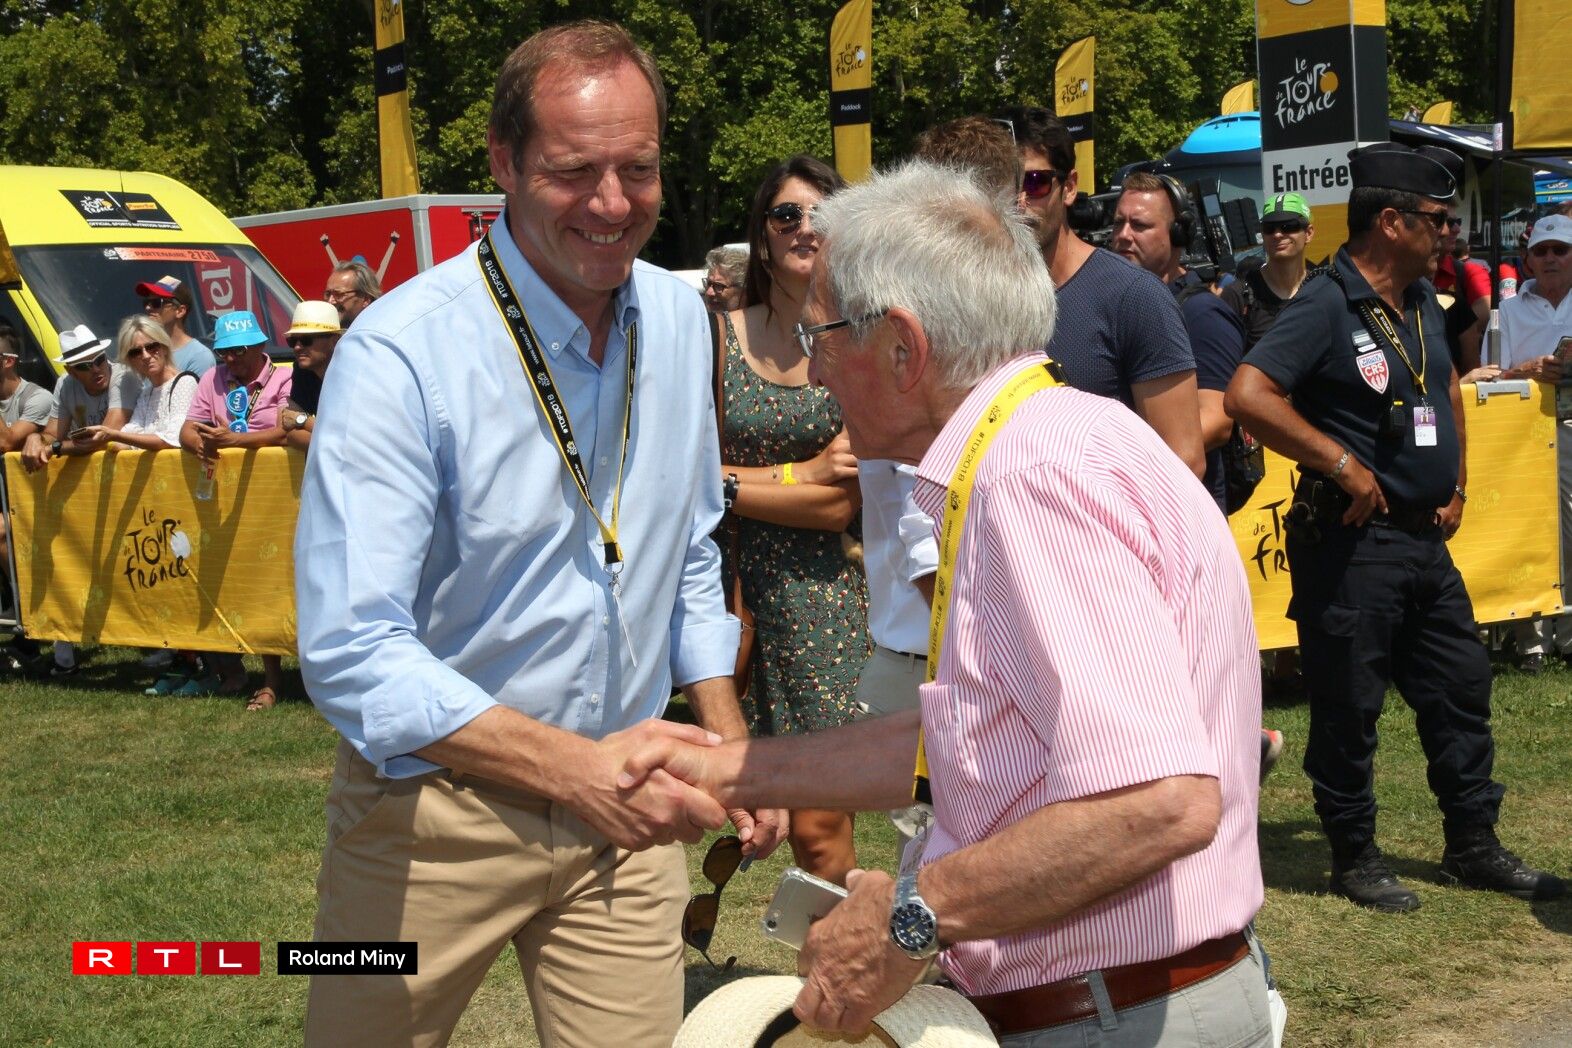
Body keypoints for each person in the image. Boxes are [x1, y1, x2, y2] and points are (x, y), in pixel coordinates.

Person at [622, 160, 1269, 1046]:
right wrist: (731, 770)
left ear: (902, 346)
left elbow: (1156, 800)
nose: (814, 372)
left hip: (1108, 1013)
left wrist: (907, 918)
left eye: (823, 337)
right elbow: (978, 737)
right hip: (1121, 1003)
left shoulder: (1034, 477)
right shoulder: (1055, 440)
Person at [292, 21, 781, 1047]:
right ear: (503, 161)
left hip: (630, 802)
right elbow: (350, 651)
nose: (613, 205)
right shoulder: (399, 354)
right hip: (429, 816)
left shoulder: (683, 315)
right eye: (574, 171)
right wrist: (570, 770)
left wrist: (729, 739)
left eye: (639, 169)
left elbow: (688, 545)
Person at [1226, 143, 1567, 913]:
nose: (1449, 233)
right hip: (1352, 544)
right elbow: (1248, 394)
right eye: (1437, 220)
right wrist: (1340, 463)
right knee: (1349, 704)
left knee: (1461, 687)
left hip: (1422, 538)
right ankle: (1354, 854)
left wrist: (1459, 480)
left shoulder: (1420, 298)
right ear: (1390, 221)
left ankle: (1473, 845)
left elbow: (1443, 377)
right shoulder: (1324, 301)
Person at [720, 154, 870, 885]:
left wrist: (724, 485)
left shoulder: (860, 338)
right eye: (787, 215)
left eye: (821, 214)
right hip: (737, 596)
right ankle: (835, 971)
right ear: (762, 234)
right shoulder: (716, 339)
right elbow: (678, 477)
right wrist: (797, 475)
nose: (805, 227)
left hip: (832, 596)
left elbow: (841, 502)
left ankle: (850, 981)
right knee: (771, 814)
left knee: (819, 820)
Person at [996, 105, 1204, 478]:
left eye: (1036, 182)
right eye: (1004, 185)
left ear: (1070, 187)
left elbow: (1183, 460)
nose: (1020, 202)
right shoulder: (980, 302)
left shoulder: (1133, 296)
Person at [1111, 172, 1247, 514]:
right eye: (1118, 224)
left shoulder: (1201, 312)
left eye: (1139, 226)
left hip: (1185, 515)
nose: (1124, 236)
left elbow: (1216, 423)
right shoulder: (1117, 303)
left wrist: (1116, 465)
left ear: (1177, 235)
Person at [179, 309, 292, 708]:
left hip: (273, 499)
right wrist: (197, 443)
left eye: (238, 351)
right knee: (226, 578)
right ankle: (228, 668)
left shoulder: (284, 377)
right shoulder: (212, 378)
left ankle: (273, 678)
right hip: (225, 499)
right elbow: (188, 425)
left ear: (260, 347)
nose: (230, 359)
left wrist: (236, 441)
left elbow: (289, 429)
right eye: (224, 352)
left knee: (270, 584)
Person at [19, 324, 141, 675]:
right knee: (68, 559)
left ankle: (167, 650)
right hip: (91, 488)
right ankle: (64, 654)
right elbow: (51, 432)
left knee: (134, 561)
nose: (96, 369)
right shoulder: (64, 384)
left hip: (131, 483)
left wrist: (53, 446)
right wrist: (35, 441)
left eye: (99, 360)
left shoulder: (124, 377)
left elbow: (105, 434)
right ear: (70, 370)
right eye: (84, 366)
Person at [1497, 214, 1572, 670]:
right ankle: (1531, 641)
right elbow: (1491, 373)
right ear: (1527, 259)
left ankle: (1567, 633)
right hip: (1523, 430)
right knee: (1528, 529)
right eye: (1542, 251)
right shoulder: (1508, 309)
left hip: (1570, 421)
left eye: (1560, 250)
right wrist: (1525, 370)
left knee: (1570, 532)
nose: (1550, 259)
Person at [78, 316, 198, 451]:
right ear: (129, 360)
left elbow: (169, 440)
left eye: (152, 347)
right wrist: (92, 442)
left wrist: (113, 435)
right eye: (136, 352)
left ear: (164, 347)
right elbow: (128, 435)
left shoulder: (185, 383)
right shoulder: (146, 394)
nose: (146, 356)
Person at [1223, 193, 1317, 351]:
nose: (1278, 234)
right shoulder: (1237, 296)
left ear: (1308, 233)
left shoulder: (1322, 289)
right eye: (1269, 228)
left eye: (1289, 226)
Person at [277, 300, 342, 452]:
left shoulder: (353, 375)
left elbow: (349, 439)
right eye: (292, 341)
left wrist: (304, 421)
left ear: (334, 341)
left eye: (306, 340)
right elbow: (291, 434)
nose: (298, 347)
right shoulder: (302, 371)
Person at [135, 275, 216, 376]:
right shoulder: (144, 352)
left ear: (180, 311)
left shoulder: (200, 357)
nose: (148, 307)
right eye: (146, 302)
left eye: (156, 303)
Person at [324, 259, 381, 328]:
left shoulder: (377, 335)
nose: (330, 301)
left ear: (366, 299)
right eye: (328, 294)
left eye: (339, 294)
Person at [702, 245, 747, 312]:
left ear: (742, 291)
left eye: (718, 286)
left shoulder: (760, 319)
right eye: (708, 283)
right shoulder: (699, 319)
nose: (709, 292)